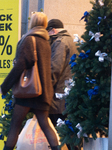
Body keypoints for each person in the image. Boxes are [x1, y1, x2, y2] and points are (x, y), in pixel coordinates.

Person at [0, 12, 60, 150]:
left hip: (27, 91)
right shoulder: (46, 41)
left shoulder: (29, 39)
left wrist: (4, 86)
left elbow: (21, 65)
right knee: (45, 124)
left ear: (31, 22)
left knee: (15, 125)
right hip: (43, 91)